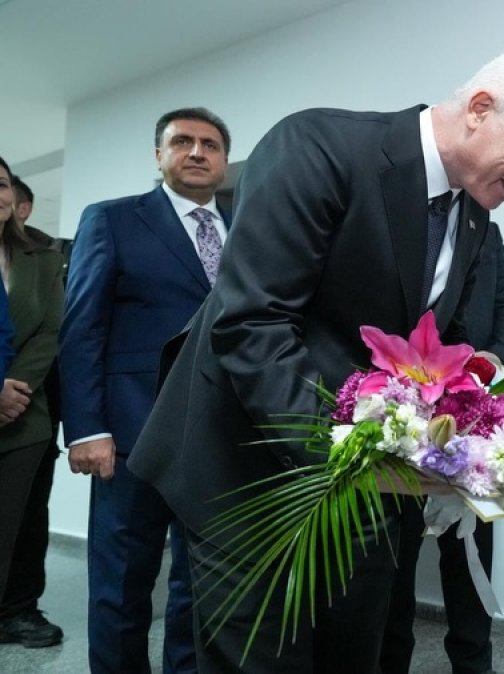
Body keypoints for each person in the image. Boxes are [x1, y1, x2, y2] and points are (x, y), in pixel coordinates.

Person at [128, 44, 504, 673]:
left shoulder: (473, 217)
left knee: (357, 654)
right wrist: (345, 458)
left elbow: (432, 351)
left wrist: (465, 440)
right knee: (262, 660)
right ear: (480, 109)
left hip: (363, 486)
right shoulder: (316, 147)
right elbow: (253, 324)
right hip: (243, 469)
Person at [59, 107, 232, 674]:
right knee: (122, 585)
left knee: (200, 586)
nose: (197, 152)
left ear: (225, 161)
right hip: (133, 435)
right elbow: (82, 328)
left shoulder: (250, 230)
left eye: (210, 144)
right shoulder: (112, 219)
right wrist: (87, 427)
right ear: (159, 156)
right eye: (181, 141)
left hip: (221, 436)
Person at [381, 221, 504, 674]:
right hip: (404, 410)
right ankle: (391, 661)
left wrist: (494, 359)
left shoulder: (487, 232)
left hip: (473, 412)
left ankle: (473, 662)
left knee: (470, 550)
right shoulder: (397, 225)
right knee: (395, 554)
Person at [0, 156, 65, 649]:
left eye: (1, 184)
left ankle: (18, 611)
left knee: (21, 521)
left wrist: (14, 387)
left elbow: (50, 330)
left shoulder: (42, 257)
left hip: (24, 413)